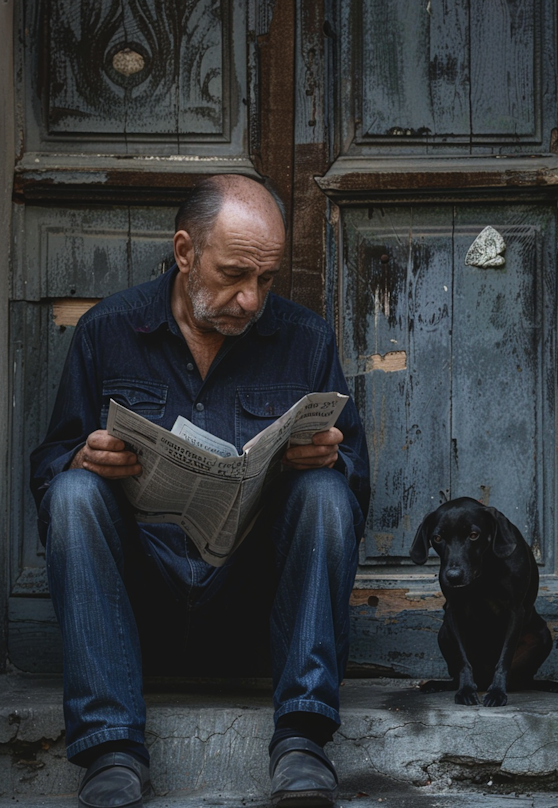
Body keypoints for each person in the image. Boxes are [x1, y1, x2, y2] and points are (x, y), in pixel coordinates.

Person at [30, 174, 370, 808]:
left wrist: (324, 460)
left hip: (253, 606)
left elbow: (355, 491)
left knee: (326, 492)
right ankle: (111, 748)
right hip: (139, 604)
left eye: (265, 281)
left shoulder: (305, 340)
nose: (250, 300)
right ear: (185, 252)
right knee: (74, 493)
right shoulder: (109, 332)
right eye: (234, 274)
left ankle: (301, 737)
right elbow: (49, 466)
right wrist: (81, 456)